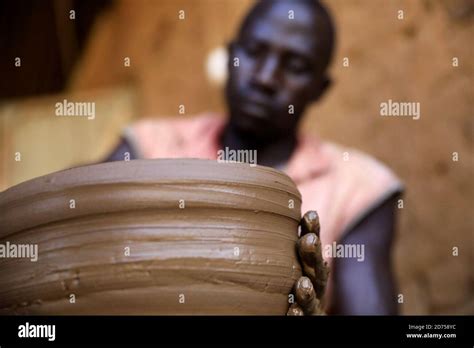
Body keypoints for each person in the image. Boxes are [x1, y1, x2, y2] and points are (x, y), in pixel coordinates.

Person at [105, 0, 403, 315]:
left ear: (320, 88)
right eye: (253, 52)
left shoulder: (357, 188)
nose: (265, 78)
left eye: (296, 66)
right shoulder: (147, 149)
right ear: (231, 55)